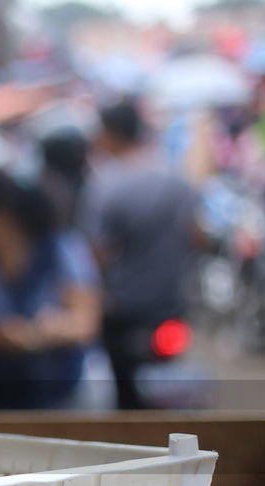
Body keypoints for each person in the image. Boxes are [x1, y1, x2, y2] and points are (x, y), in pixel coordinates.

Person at [0, 170, 102, 409]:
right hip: (2, 396)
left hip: (67, 390)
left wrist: (54, 327)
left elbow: (85, 321)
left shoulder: (61, 248)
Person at [80, 101, 198, 409]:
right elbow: (196, 235)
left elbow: (97, 254)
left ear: (110, 133)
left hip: (122, 311)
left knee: (125, 395)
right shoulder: (175, 177)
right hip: (170, 305)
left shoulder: (104, 185)